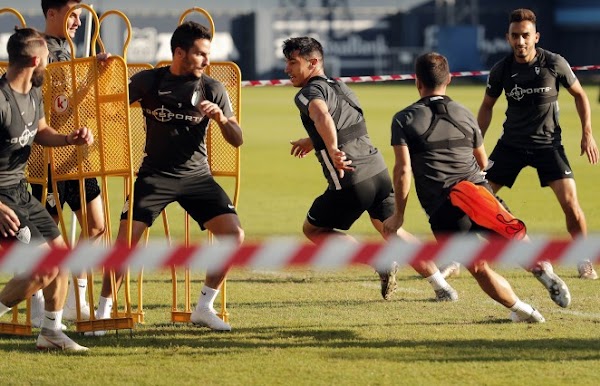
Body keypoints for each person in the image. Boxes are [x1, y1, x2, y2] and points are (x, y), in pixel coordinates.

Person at [88, 21, 244, 334]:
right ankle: (103, 311)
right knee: (125, 243)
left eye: (207, 54)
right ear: (179, 53)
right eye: (200, 54)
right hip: (154, 177)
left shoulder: (213, 88)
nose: (206, 60)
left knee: (234, 236)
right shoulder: (149, 81)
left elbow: (237, 138)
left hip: (197, 178)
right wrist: (101, 72)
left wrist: (221, 118)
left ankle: (204, 307)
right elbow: (107, 105)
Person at [283, 36, 458, 302]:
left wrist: (331, 149)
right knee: (393, 231)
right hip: (377, 172)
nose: (287, 69)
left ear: (314, 62)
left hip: (351, 179)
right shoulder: (341, 87)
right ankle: (442, 288)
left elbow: (321, 115)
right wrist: (313, 141)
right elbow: (348, 125)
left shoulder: (308, 93)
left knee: (313, 231)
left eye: (293, 63)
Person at [383, 52, 546, 323]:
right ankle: (544, 270)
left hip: (444, 207)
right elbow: (483, 162)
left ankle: (525, 312)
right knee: (512, 237)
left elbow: (402, 171)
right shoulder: (464, 112)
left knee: (479, 266)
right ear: (448, 79)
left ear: (417, 82)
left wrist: (399, 215)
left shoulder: (404, 119)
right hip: (477, 190)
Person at [477, 8, 599, 281]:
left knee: (571, 203)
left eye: (525, 36)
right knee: (477, 198)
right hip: (511, 145)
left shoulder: (554, 63)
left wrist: (587, 133)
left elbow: (580, 95)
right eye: (515, 36)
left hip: (548, 145)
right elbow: (487, 106)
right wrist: (477, 143)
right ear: (508, 38)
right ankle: (466, 256)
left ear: (536, 37)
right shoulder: (501, 70)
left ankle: (584, 259)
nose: (520, 42)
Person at [0, 27, 92, 350]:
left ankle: (51, 332)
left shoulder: (34, 93)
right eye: (47, 60)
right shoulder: (0, 100)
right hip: (2, 202)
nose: (49, 65)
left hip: (21, 192)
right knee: (44, 269)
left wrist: (69, 139)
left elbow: (40, 131)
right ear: (38, 60)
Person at [28, 0, 109, 324]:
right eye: (71, 15)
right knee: (41, 239)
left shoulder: (74, 49)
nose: (77, 21)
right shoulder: (34, 48)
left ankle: (77, 296)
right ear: (51, 14)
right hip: (42, 158)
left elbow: (71, 101)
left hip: (75, 156)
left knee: (97, 226)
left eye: (79, 16)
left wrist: (94, 71)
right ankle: (37, 301)